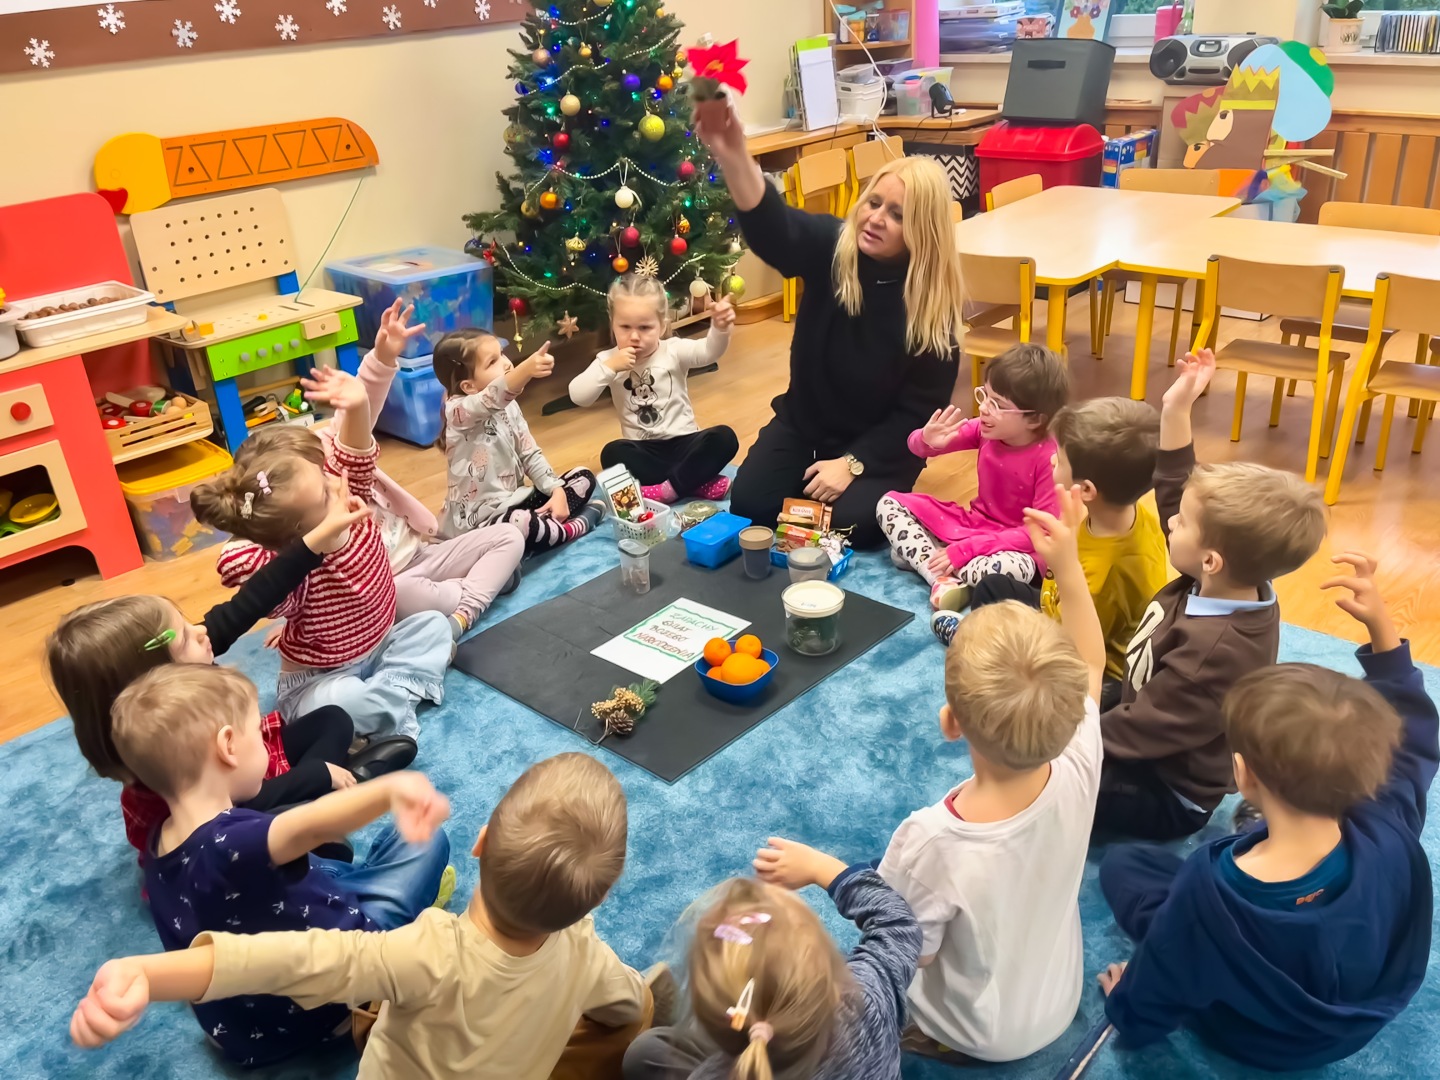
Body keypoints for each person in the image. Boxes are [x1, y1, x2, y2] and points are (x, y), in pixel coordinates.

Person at [70, 752, 668, 1080]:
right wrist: (631, 1006)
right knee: (630, 1009)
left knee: (375, 979)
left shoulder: (424, 951)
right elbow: (625, 1002)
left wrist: (151, 975)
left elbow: (292, 960)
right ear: (600, 899)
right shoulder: (585, 951)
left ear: (481, 842)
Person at [1096, 553, 1435, 1071]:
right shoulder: (1390, 820)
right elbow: (1414, 737)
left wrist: (1126, 1005)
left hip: (1253, 1039)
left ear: (1242, 775)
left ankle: (1249, 840)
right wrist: (1383, 635)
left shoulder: (1210, 892)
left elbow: (1162, 984)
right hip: (1346, 1028)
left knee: (1126, 868)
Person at [44, 472, 414, 865]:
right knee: (256, 825)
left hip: (247, 768)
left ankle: (332, 786)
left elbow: (253, 599)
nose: (201, 633)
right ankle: (324, 794)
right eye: (186, 637)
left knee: (333, 721)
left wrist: (317, 541)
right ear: (155, 683)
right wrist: (315, 776)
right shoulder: (165, 758)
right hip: (223, 815)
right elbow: (235, 803)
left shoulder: (187, 659)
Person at [92, 663, 451, 1068]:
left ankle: (360, 880)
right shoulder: (233, 841)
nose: (267, 745)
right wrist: (390, 790)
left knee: (316, 868)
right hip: (337, 996)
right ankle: (403, 909)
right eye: (257, 734)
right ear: (228, 746)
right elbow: (311, 825)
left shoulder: (158, 845)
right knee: (427, 841)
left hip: (245, 1033)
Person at [877, 485, 1104, 1064]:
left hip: (978, 1033)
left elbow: (904, 949)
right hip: (1061, 997)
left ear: (950, 723)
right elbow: (1094, 661)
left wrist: (827, 872)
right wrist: (1069, 567)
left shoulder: (930, 837)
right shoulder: (1079, 754)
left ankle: (936, 1035)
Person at [695, 100, 965, 549]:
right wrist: (733, 152)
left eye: (897, 215)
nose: (876, 218)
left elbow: (916, 417)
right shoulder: (832, 249)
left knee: (853, 526)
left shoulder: (932, 314)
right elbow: (774, 228)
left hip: (881, 448)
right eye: (874, 203)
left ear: (923, 230)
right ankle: (809, 495)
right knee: (749, 504)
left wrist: (853, 463)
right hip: (805, 425)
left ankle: (835, 495)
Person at [1096, 348, 1327, 841]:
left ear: (1210, 560)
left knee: (1050, 777)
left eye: (1178, 524)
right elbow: (1178, 487)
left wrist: (1060, 745)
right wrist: (1177, 406)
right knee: (1068, 689)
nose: (1169, 520)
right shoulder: (1225, 574)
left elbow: (1145, 730)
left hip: (1167, 790)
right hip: (1150, 704)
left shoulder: (1215, 653)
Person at [192, 363, 453, 740]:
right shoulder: (293, 573)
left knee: (434, 626)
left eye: (327, 473)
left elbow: (354, 455)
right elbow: (243, 568)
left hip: (380, 646)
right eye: (325, 489)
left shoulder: (350, 496)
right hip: (320, 679)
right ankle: (390, 705)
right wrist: (309, 546)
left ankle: (387, 706)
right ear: (301, 533)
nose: (337, 480)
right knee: (347, 702)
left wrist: (359, 403)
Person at [250, 300, 525, 641]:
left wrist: (382, 357)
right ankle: (474, 598)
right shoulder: (303, 513)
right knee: (405, 594)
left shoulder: (338, 452)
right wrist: (301, 625)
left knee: (511, 536)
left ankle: (470, 595)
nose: (329, 479)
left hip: (425, 551)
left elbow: (360, 405)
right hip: (390, 585)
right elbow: (305, 577)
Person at [625, 841, 922, 1080]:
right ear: (832, 978)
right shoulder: (868, 996)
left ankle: (674, 1016)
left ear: (720, 1031)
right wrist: (823, 869)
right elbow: (898, 924)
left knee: (645, 1053)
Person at [965, 396, 1168, 711]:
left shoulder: (1106, 575)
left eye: (1058, 459)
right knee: (992, 587)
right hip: (1060, 611)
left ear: (1086, 489)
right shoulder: (1124, 511)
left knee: (1037, 691)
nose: (1050, 461)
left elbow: (1073, 651)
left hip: (1094, 670)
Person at [879, 343, 1069, 613]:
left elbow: (1040, 533)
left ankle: (930, 562)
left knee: (1006, 572)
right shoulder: (985, 428)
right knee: (888, 504)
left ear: (1035, 419)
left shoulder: (1049, 458)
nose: (984, 409)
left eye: (998, 405)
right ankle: (942, 577)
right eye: (985, 396)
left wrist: (967, 550)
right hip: (972, 525)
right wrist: (925, 440)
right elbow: (916, 446)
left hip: (1016, 547)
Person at [569, 274, 739, 505]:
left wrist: (720, 328)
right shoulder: (608, 360)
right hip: (644, 450)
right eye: (625, 327)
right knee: (612, 453)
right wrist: (610, 368)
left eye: (645, 327)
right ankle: (694, 483)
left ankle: (668, 490)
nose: (634, 336)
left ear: (662, 325)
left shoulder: (673, 350)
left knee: (725, 438)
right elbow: (578, 395)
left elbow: (709, 352)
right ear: (612, 323)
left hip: (685, 442)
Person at [433, 329, 604, 552]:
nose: (506, 363)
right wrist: (526, 369)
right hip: (481, 523)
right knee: (519, 525)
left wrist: (557, 491)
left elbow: (530, 453)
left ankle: (542, 531)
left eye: (502, 353)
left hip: (516, 501)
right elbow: (492, 396)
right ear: (468, 386)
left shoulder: (510, 406)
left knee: (583, 476)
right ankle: (572, 529)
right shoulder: (458, 412)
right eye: (493, 361)